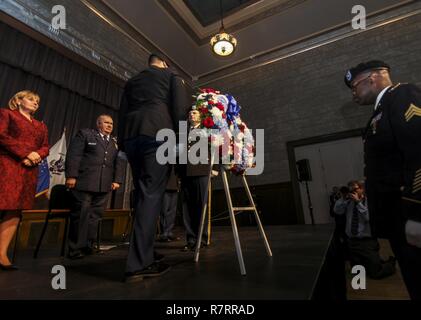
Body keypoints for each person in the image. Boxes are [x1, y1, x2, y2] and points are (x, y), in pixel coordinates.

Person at [344, 60, 421, 298]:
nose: (354, 94)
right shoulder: (381, 110)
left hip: (408, 211)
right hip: (396, 216)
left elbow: (418, 151)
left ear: (373, 78)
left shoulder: (402, 96)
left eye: (355, 86)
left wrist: (417, 214)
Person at [118, 53, 189, 282]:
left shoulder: (133, 81)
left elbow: (122, 112)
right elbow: (180, 110)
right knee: (151, 196)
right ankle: (138, 264)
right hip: (159, 134)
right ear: (165, 62)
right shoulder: (171, 75)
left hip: (131, 137)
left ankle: (145, 251)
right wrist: (181, 142)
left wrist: (122, 143)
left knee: (143, 195)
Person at [0, 90, 49, 270]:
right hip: (7, 166)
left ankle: (1, 254)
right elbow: (2, 136)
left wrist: (36, 154)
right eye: (30, 99)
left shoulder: (40, 126)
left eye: (37, 101)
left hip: (29, 170)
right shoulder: (6, 114)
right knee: (3, 204)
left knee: (15, 210)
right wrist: (25, 153)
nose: (35, 103)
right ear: (18, 100)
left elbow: (45, 146)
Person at [65, 114, 125, 259]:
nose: (110, 125)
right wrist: (71, 176)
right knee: (81, 215)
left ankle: (88, 246)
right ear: (98, 124)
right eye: (106, 122)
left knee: (95, 217)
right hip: (84, 182)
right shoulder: (86, 134)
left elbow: (120, 162)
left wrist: (117, 180)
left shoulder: (114, 142)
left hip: (103, 185)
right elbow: (74, 155)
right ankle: (75, 249)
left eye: (111, 123)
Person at [334, 180, 396, 279]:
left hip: (367, 242)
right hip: (352, 242)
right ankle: (375, 261)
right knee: (358, 272)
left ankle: (390, 263)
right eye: (350, 190)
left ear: (362, 189)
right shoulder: (348, 202)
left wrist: (358, 202)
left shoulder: (370, 201)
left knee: (376, 273)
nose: (352, 192)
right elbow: (337, 211)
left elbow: (368, 218)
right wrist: (343, 198)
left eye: (355, 189)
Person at [180, 109, 212, 251]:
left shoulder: (207, 130)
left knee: (201, 205)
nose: (191, 115)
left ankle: (202, 238)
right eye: (190, 113)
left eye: (194, 113)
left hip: (201, 171)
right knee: (187, 207)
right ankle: (191, 239)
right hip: (186, 172)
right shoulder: (183, 131)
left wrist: (214, 167)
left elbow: (214, 149)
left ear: (201, 116)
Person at [157, 166, 180, 242]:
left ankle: (169, 231)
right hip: (165, 185)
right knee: (164, 210)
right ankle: (164, 233)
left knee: (172, 211)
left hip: (174, 185)